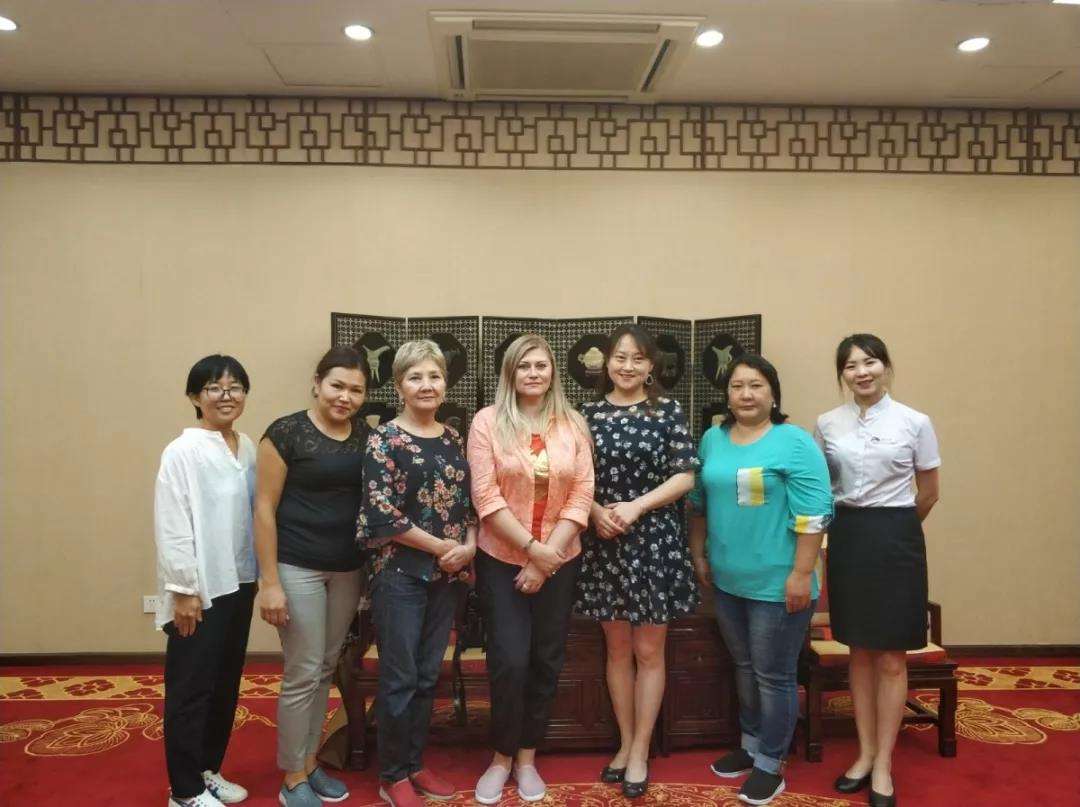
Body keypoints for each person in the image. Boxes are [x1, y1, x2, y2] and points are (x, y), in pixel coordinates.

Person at [689, 354, 833, 807]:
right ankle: (751, 745)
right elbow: (699, 503)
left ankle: (771, 762)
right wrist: (698, 554)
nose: (746, 394)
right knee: (745, 666)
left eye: (755, 385)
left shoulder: (794, 442)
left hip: (779, 582)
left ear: (773, 393)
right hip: (728, 580)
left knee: (774, 675)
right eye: (737, 386)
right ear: (727, 394)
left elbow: (815, 515)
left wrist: (802, 574)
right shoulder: (713, 438)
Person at [814, 334, 941, 807]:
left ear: (885, 366)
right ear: (842, 375)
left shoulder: (915, 422)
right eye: (850, 366)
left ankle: (885, 762)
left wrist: (894, 530)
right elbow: (822, 487)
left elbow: (928, 492)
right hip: (848, 536)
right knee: (858, 651)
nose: (861, 372)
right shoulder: (827, 424)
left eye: (869, 362)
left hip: (896, 537)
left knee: (890, 656)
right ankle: (865, 753)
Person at [467, 334, 594, 805]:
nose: (533, 373)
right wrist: (531, 551)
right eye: (524, 366)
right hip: (502, 559)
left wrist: (547, 557)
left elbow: (582, 493)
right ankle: (500, 757)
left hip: (560, 559)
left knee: (545, 659)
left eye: (541, 365)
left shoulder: (573, 423)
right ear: (510, 373)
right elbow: (485, 496)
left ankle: (526, 757)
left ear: (553, 371)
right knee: (509, 660)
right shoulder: (487, 422)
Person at [574, 325, 699, 798]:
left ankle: (642, 749)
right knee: (616, 650)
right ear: (606, 362)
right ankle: (625, 743)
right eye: (620, 357)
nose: (628, 366)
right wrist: (594, 513)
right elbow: (574, 478)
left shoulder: (667, 410)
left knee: (648, 653)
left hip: (653, 542)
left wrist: (636, 507)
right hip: (604, 541)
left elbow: (685, 476)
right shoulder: (586, 415)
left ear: (651, 366)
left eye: (638, 358)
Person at [356, 340, 477, 807]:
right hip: (399, 575)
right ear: (399, 386)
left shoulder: (452, 438)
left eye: (434, 376)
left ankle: (414, 763)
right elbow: (380, 513)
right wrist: (441, 547)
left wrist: (467, 547)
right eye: (415, 377)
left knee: (428, 675)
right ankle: (392, 775)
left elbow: (467, 505)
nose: (426, 385)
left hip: (446, 575)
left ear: (445, 383)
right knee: (400, 676)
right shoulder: (383, 439)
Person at [254, 346, 369, 807]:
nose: (345, 397)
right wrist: (269, 583)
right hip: (296, 565)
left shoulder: (365, 436)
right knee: (302, 671)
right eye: (337, 385)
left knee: (325, 668)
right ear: (317, 384)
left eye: (355, 390)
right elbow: (263, 508)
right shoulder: (285, 433)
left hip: (347, 569)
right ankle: (292, 778)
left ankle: (309, 761)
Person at [155, 354, 256, 807]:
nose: (226, 395)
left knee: (224, 683)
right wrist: (183, 590)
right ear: (195, 396)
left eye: (235, 387)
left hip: (241, 580)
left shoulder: (247, 446)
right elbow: (172, 523)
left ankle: (206, 770)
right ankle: (184, 791)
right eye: (214, 387)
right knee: (190, 689)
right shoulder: (182, 451)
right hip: (199, 590)